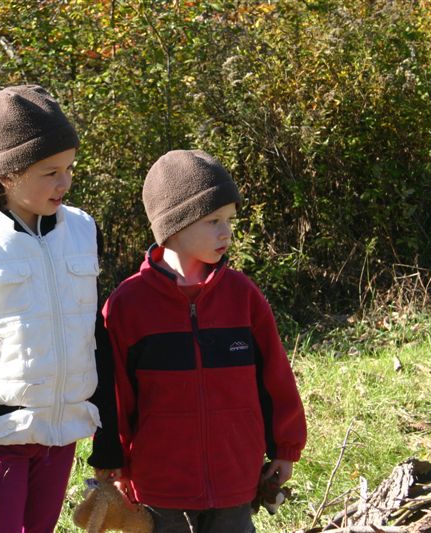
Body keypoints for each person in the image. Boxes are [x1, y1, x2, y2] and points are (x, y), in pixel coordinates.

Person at [0, 85, 122, 533]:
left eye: (69, 168)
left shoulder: (81, 229)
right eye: (50, 172)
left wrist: (108, 436)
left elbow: (95, 338)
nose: (65, 182)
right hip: (1, 436)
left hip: (61, 434)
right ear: (6, 175)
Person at [100, 150, 307, 532]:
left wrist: (285, 448)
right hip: (161, 486)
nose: (226, 231)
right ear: (174, 226)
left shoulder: (242, 296)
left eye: (229, 219)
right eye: (213, 220)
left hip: (236, 478)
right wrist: (117, 464)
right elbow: (115, 397)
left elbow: (276, 378)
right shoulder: (128, 305)